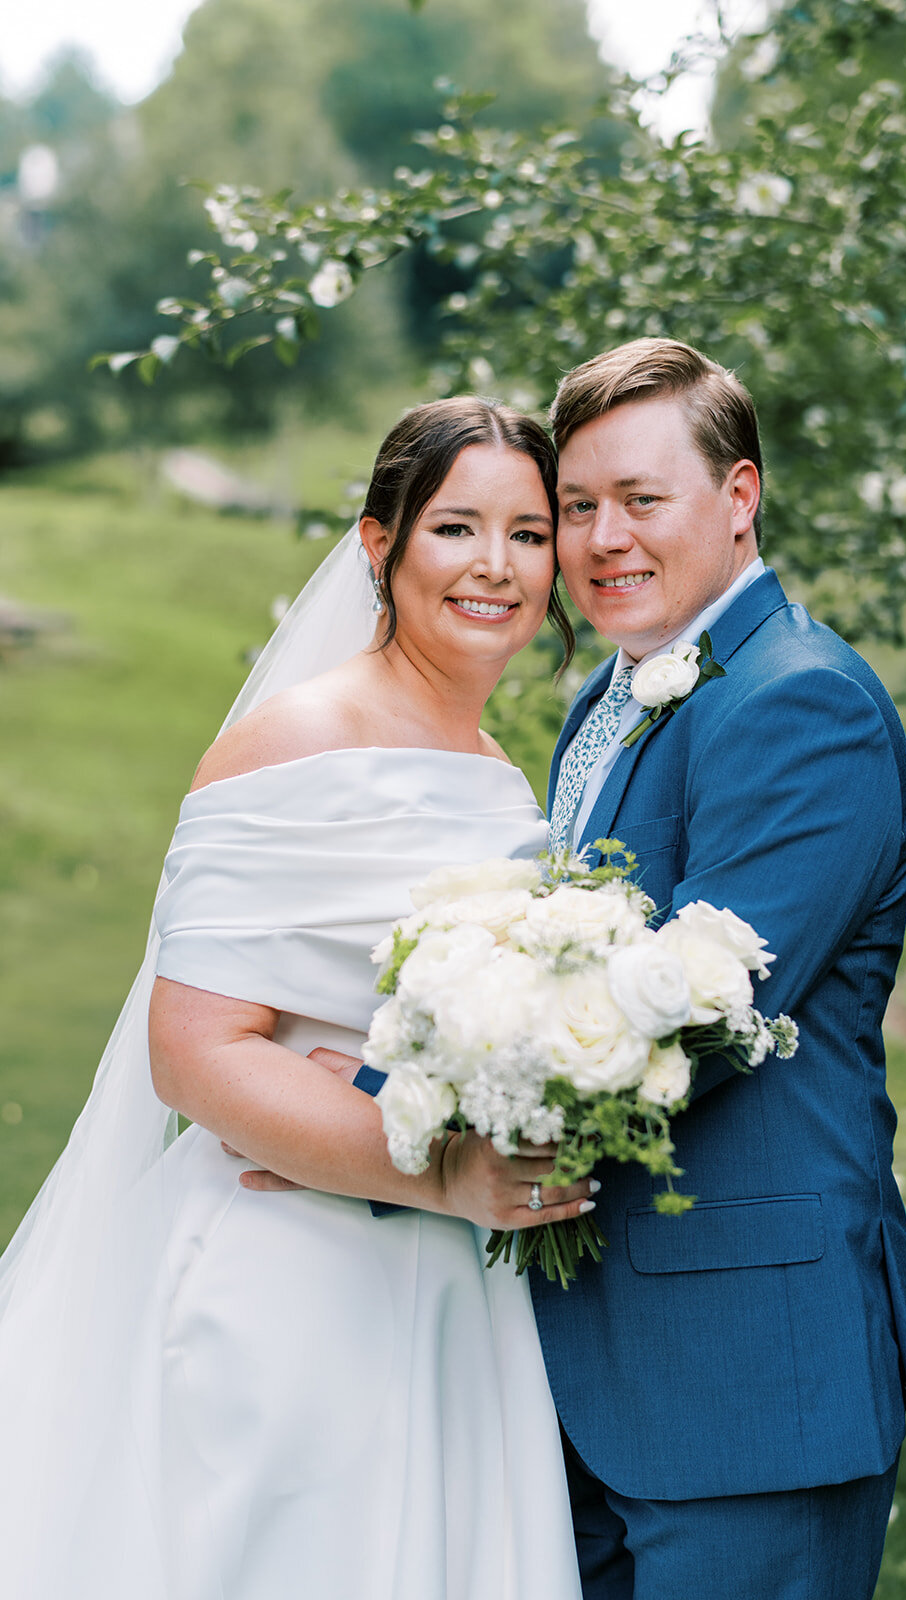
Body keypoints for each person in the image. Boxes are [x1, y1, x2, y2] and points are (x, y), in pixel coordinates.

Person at [0, 398, 589, 1599]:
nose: (495, 566)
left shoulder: (499, 776)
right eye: (456, 528)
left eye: (527, 535)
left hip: (450, 1302)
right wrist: (438, 1169)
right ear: (379, 545)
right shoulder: (295, 745)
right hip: (296, 1286)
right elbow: (195, 1050)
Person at [526, 338, 906, 1599]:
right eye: (577, 507)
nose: (602, 538)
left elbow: (692, 1016)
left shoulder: (799, 701)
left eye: (640, 500)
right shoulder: (617, 694)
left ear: (738, 496)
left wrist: (389, 1124)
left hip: (747, 1374)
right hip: (598, 1359)